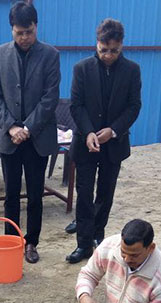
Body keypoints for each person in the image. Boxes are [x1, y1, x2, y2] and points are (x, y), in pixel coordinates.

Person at [0, 1, 60, 264]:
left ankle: (31, 242)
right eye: (19, 33)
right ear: (12, 30)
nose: (25, 37)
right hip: (10, 138)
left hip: (37, 137)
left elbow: (50, 98)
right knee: (10, 195)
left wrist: (27, 128)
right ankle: (12, 241)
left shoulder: (50, 55)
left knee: (35, 195)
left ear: (36, 26)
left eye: (29, 31)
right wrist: (12, 127)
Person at [65, 19, 141, 264]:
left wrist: (114, 130)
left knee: (106, 193)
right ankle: (83, 244)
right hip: (85, 143)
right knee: (84, 194)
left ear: (122, 45)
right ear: (96, 44)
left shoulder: (132, 70)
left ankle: (98, 235)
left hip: (114, 144)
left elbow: (134, 106)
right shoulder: (82, 69)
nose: (108, 55)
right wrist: (88, 132)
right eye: (103, 50)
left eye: (114, 51)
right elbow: (76, 105)